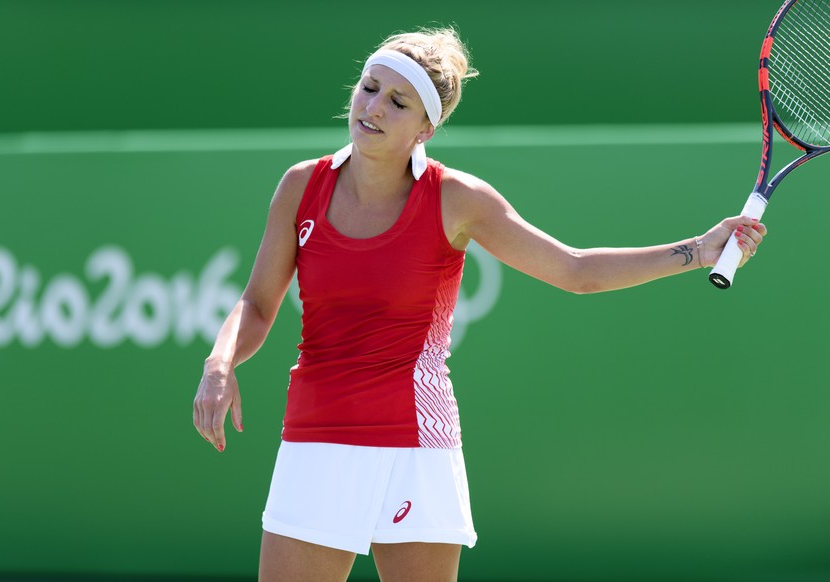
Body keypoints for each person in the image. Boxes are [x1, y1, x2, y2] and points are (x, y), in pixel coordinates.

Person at [193, 28, 767, 582]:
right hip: (316, 436)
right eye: (369, 87)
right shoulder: (301, 185)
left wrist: (696, 250)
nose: (373, 107)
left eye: (398, 102)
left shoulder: (456, 199)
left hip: (416, 442)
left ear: (425, 129)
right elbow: (258, 303)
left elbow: (575, 271)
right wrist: (220, 365)